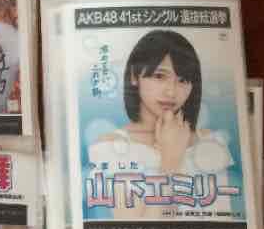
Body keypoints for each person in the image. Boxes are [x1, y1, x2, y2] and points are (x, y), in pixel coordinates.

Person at [88, 30, 234, 214]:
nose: (171, 91)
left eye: (183, 80)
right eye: (159, 76)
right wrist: (170, 160)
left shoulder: (210, 141)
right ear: (134, 76)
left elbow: (222, 223)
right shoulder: (110, 146)